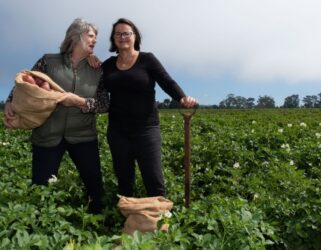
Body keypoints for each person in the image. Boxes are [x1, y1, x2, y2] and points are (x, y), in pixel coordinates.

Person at [3, 18, 109, 214]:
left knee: (94, 184)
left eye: (96, 37)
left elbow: (104, 104)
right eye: (91, 35)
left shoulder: (98, 70)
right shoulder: (48, 61)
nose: (95, 40)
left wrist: (81, 102)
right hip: (47, 134)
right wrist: (10, 100)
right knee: (40, 187)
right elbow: (25, 84)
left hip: (83, 135)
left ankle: (99, 222)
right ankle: (40, 225)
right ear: (76, 36)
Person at [86, 18, 198, 198]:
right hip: (118, 131)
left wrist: (182, 97)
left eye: (126, 33)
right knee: (124, 180)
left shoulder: (147, 59)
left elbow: (167, 81)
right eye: (118, 34)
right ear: (113, 39)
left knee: (154, 179)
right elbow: (89, 77)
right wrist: (88, 57)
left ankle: (161, 221)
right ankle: (127, 220)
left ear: (134, 36)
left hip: (146, 129)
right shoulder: (106, 66)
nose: (122, 37)